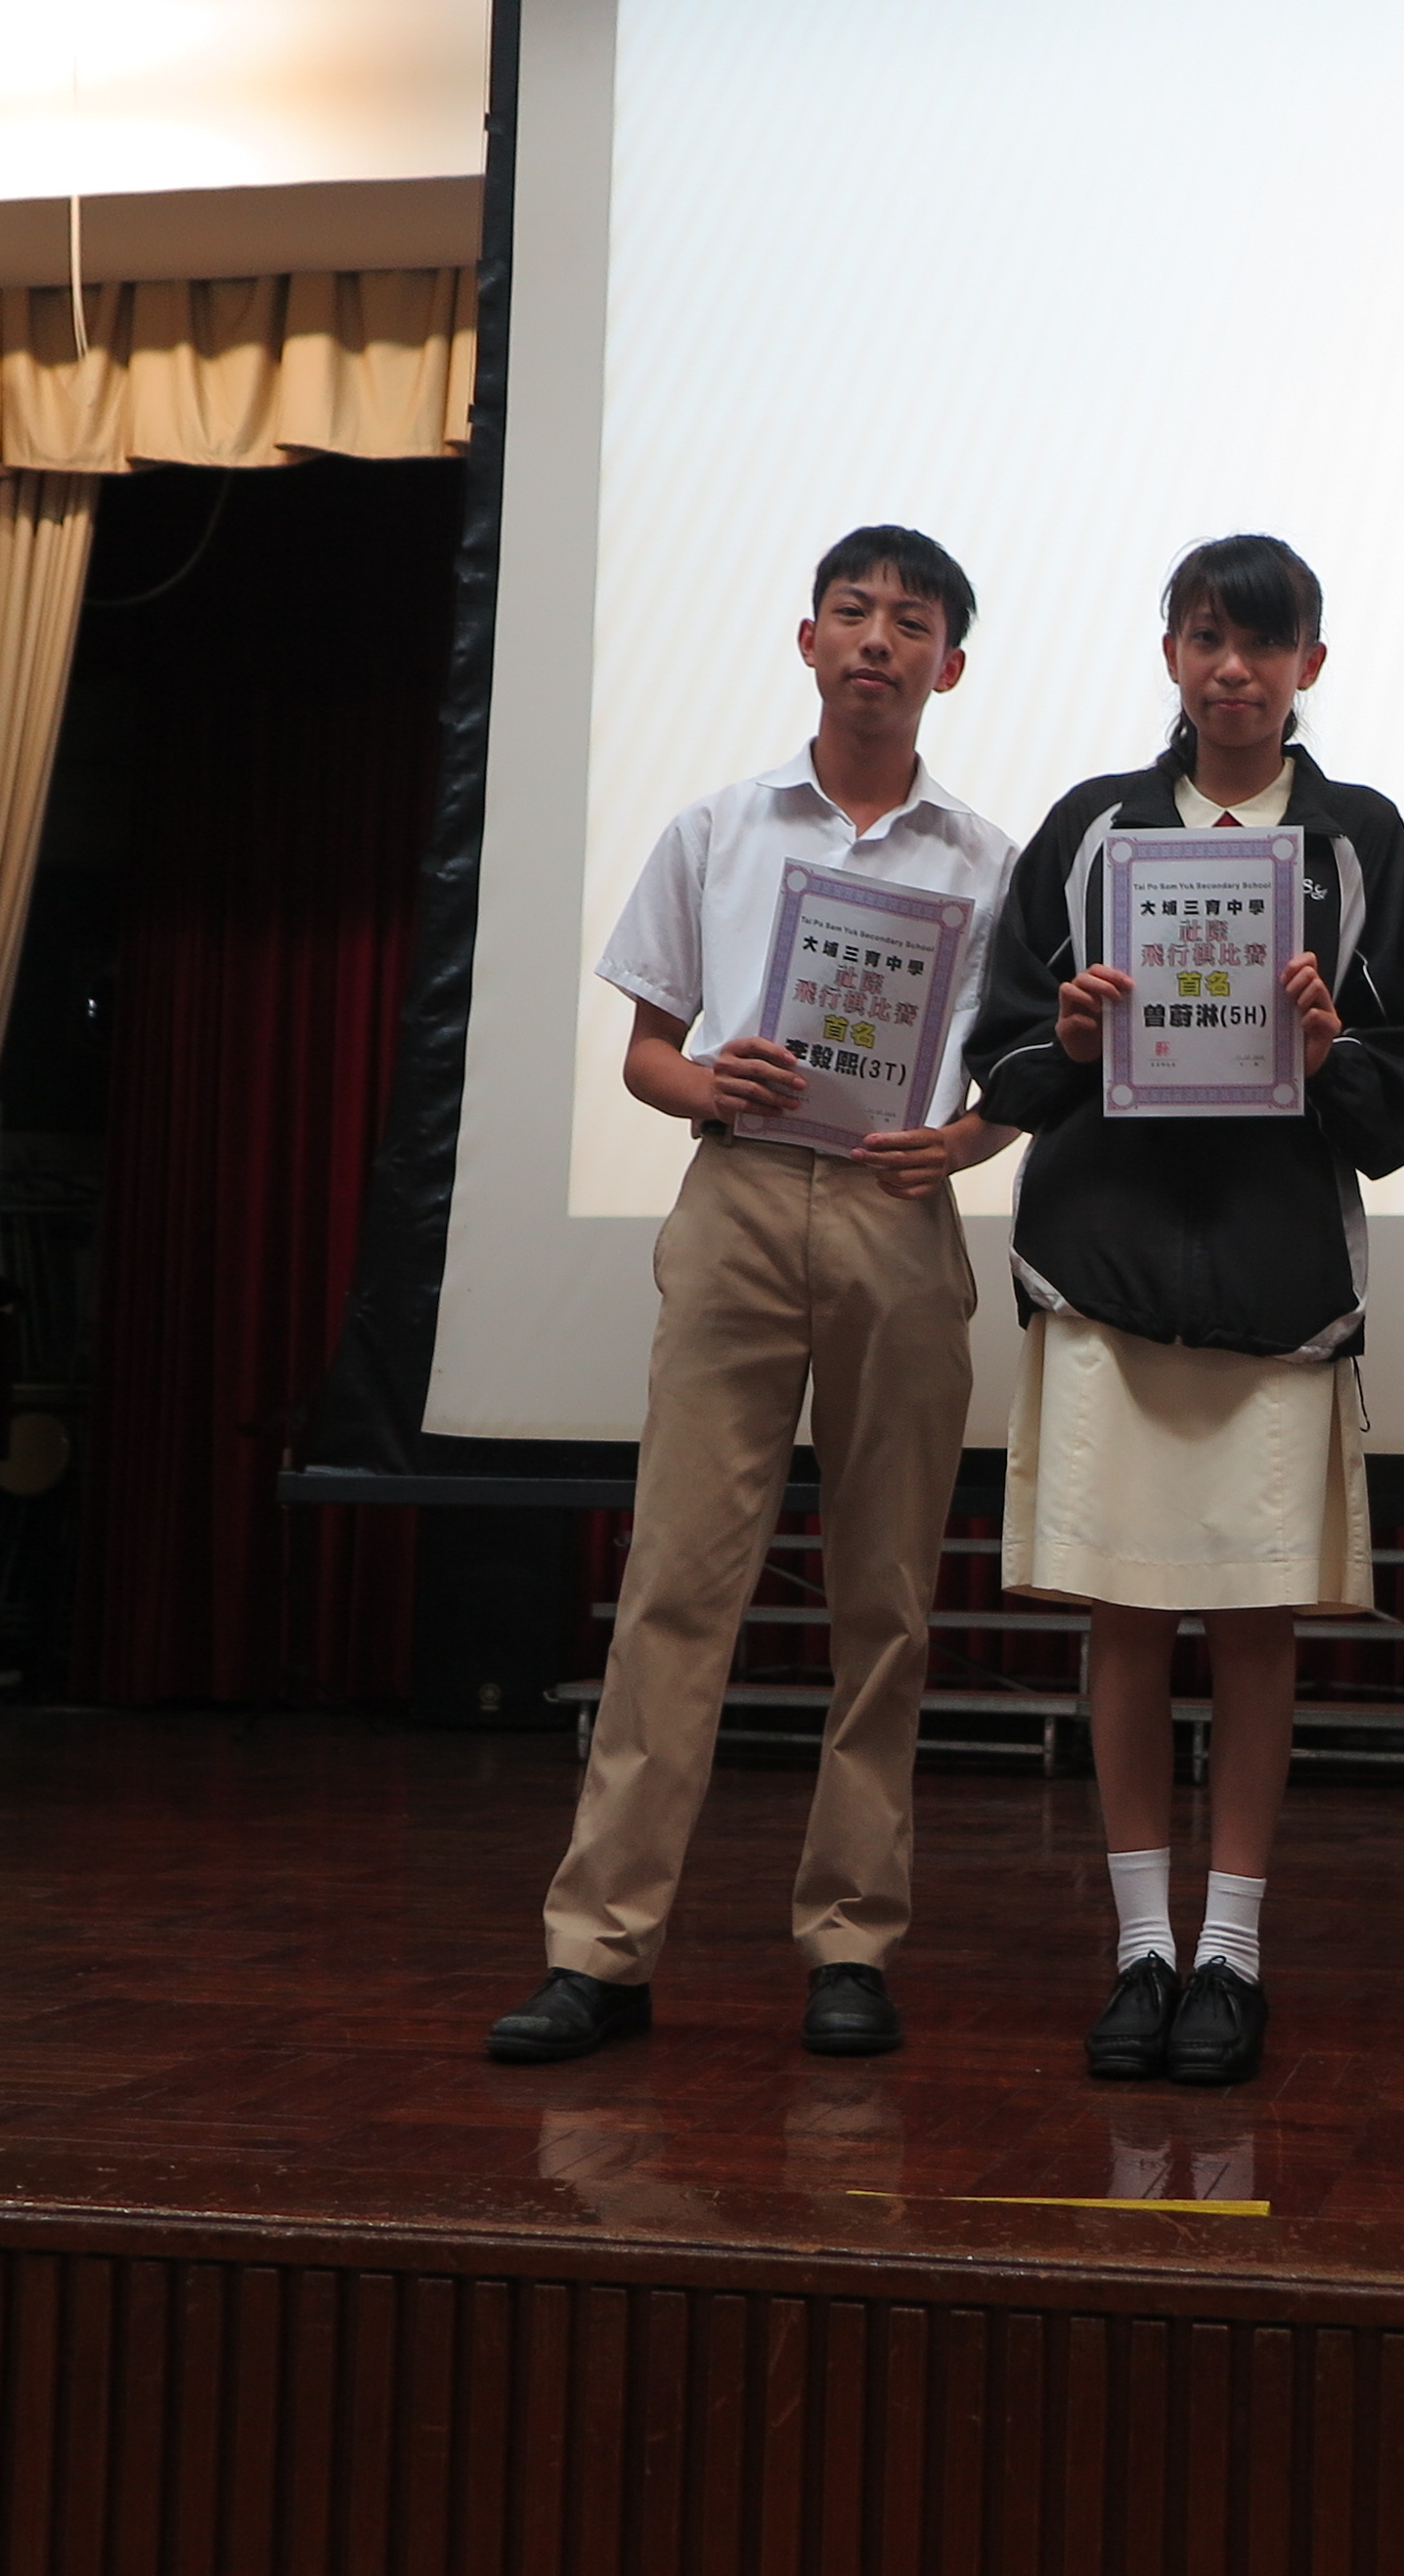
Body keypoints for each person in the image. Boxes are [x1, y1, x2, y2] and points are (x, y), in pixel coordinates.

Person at [486, 525, 1022, 2068]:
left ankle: (851, 1940)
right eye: (852, 612)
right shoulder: (718, 829)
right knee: (677, 1582)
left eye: (910, 622)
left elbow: (1018, 1074)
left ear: (950, 666)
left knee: (886, 1599)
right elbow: (648, 1054)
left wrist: (964, 1140)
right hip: (734, 1200)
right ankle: (601, 1947)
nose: (877, 640)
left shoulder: (988, 862)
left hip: (896, 1214)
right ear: (808, 640)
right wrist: (704, 1081)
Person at [960, 535, 1404, 2086]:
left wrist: (1331, 1049)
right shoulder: (1092, 830)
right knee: (1120, 1615)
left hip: (1278, 1285)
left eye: (1265, 643)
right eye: (1207, 638)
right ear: (1171, 653)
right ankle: (1139, 1951)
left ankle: (1230, 1954)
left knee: (1251, 1623)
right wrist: (1070, 1035)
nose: (1234, 670)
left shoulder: (1357, 839)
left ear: (1312, 664)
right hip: (1102, 1279)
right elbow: (999, 1058)